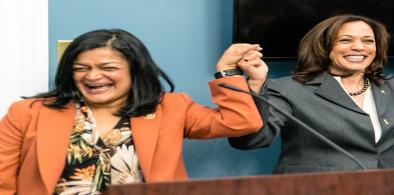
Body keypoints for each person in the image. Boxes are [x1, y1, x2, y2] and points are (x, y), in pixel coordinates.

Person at [0, 29, 265, 194]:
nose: (93, 76)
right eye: (81, 68)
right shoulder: (28, 112)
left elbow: (241, 122)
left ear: (135, 70)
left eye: (108, 67)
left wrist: (228, 72)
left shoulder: (171, 108)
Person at [229, 14, 394, 174]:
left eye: (368, 41)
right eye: (345, 40)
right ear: (323, 46)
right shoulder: (288, 89)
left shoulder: (390, 88)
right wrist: (256, 84)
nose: (359, 47)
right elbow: (250, 141)